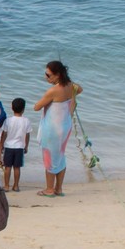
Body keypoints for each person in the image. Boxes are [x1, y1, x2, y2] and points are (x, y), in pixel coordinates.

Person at [32, 60, 82, 197]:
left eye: (48, 75)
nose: (46, 77)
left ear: (57, 75)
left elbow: (36, 107)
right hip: (65, 127)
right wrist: (69, 84)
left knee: (50, 158)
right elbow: (80, 89)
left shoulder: (53, 91)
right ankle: (58, 188)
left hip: (53, 129)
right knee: (60, 156)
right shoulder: (71, 86)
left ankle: (49, 189)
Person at [1, 97, 32, 191]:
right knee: (17, 168)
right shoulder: (26, 121)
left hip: (9, 146)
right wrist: (26, 146)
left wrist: (1, 145)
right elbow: (27, 135)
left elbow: (4, 134)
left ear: (12, 107)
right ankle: (16, 185)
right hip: (19, 147)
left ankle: (6, 186)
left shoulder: (8, 120)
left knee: (7, 167)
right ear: (23, 109)